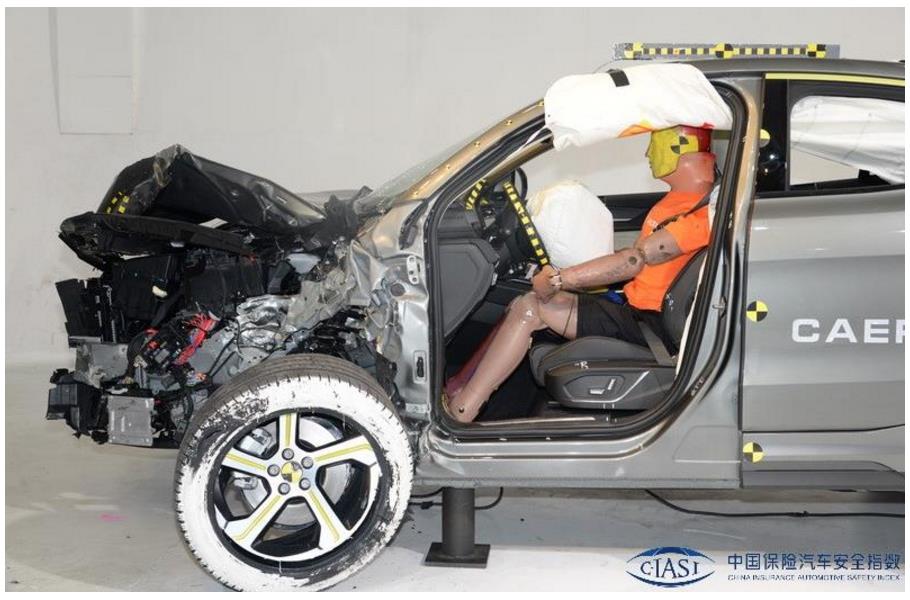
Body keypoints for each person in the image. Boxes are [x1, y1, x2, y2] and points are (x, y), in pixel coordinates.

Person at [445, 124, 716, 423]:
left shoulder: (703, 216)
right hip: (633, 310)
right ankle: (458, 388)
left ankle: (460, 413)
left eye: (655, 143)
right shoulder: (680, 203)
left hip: (648, 325)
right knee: (521, 302)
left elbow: (634, 260)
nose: (648, 153)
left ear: (680, 147)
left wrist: (561, 278)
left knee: (530, 308)